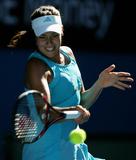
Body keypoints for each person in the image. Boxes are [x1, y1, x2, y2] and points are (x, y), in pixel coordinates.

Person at [8, 5, 134, 160]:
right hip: (47, 154)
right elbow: (44, 113)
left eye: (54, 35)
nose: (49, 43)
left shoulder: (68, 53)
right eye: (43, 36)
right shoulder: (36, 66)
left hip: (74, 151)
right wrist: (74, 111)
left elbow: (82, 102)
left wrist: (99, 84)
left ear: (61, 30)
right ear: (35, 37)